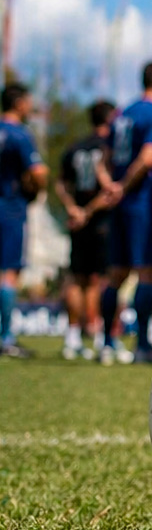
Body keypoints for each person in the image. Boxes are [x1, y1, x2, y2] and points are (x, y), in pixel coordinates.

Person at [103, 63, 152, 365]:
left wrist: (111, 187)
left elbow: (103, 159)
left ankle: (107, 342)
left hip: (120, 205)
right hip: (144, 203)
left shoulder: (123, 114)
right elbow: (149, 157)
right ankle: (142, 344)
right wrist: (124, 185)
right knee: (147, 272)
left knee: (116, 274)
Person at [56, 100, 118, 360]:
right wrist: (88, 213)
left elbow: (60, 184)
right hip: (100, 221)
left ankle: (72, 336)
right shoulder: (109, 148)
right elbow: (110, 190)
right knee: (95, 279)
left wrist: (73, 208)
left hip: (78, 221)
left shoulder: (75, 148)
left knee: (76, 276)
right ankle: (95, 334)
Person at [0, 83, 48, 359]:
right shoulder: (20, 135)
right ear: (18, 103)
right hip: (10, 208)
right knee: (8, 273)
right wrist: (34, 187)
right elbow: (39, 173)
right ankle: (6, 337)